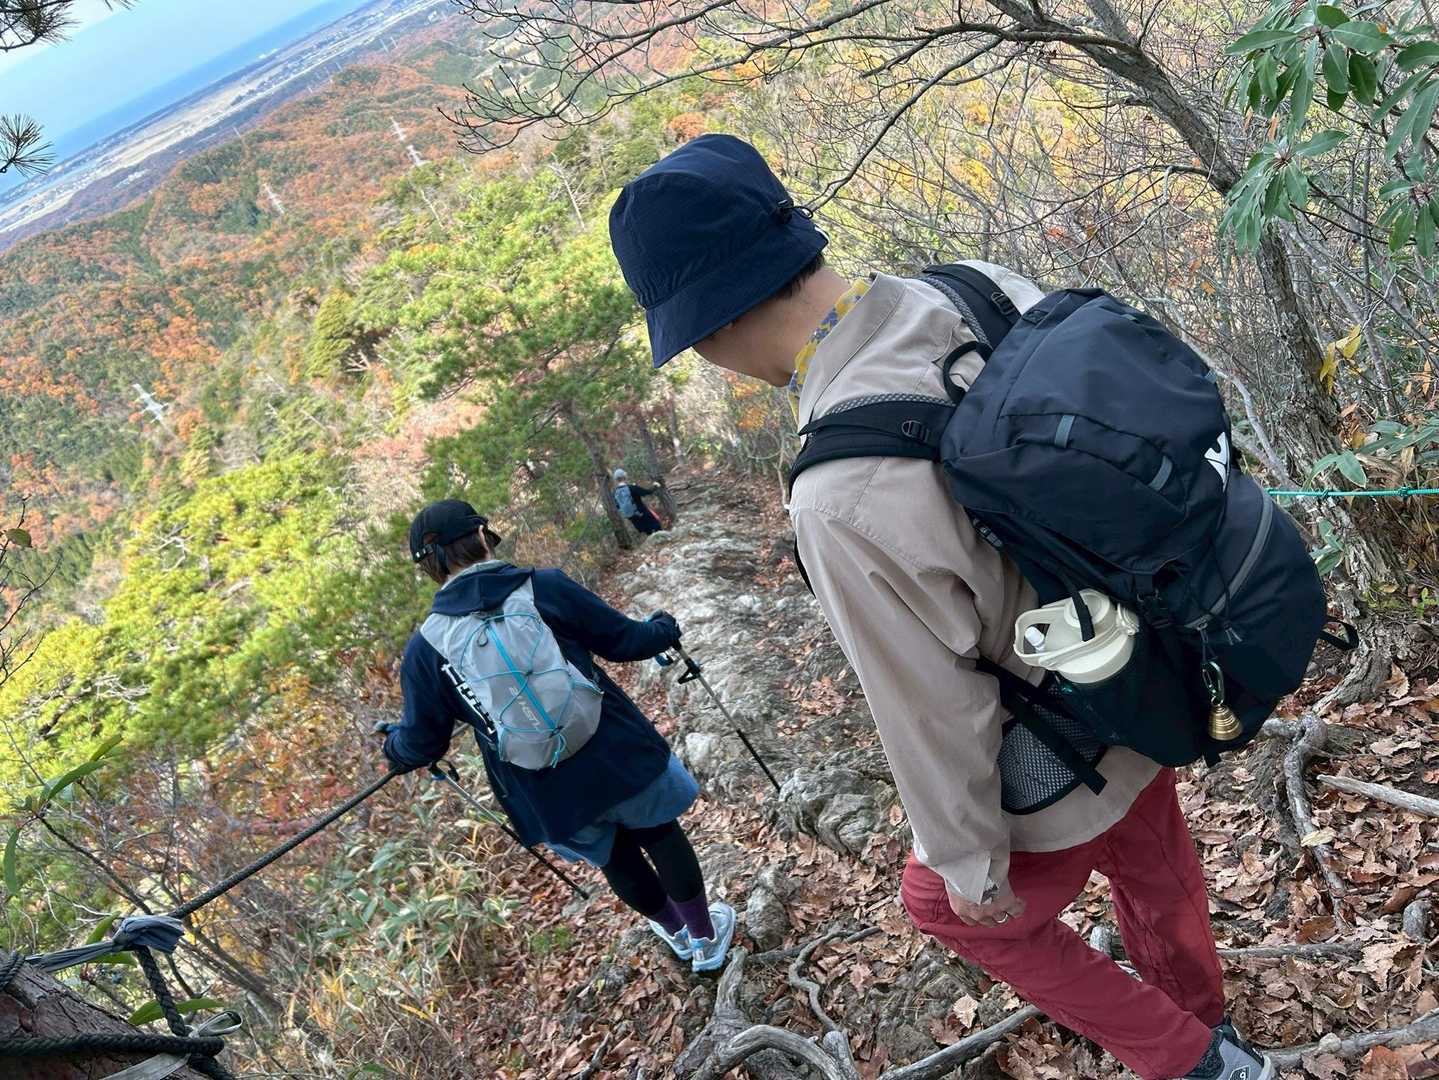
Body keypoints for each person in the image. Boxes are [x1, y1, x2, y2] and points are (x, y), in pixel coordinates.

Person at [607, 134, 1273, 1080]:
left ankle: (1192, 1059)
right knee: (1146, 841)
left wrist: (968, 864)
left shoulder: (835, 492)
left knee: (940, 905)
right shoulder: (975, 289)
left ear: (707, 330)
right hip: (1159, 650)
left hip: (1059, 716)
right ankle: (1202, 1011)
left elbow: (930, 706)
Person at [381, 498, 735, 972]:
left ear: (429, 567)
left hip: (539, 781)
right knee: (660, 833)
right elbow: (626, 642)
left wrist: (393, 745)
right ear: (482, 536)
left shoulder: (425, 648)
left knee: (616, 859)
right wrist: (663, 627)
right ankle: (705, 939)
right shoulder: (544, 586)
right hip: (613, 746)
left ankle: (676, 934)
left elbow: (422, 743)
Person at [613, 468, 666, 535]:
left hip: (632, 517)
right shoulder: (631, 488)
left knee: (647, 531)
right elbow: (646, 492)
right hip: (642, 512)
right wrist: (655, 486)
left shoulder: (615, 493)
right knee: (656, 526)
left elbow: (618, 506)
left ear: (616, 480)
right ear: (624, 476)